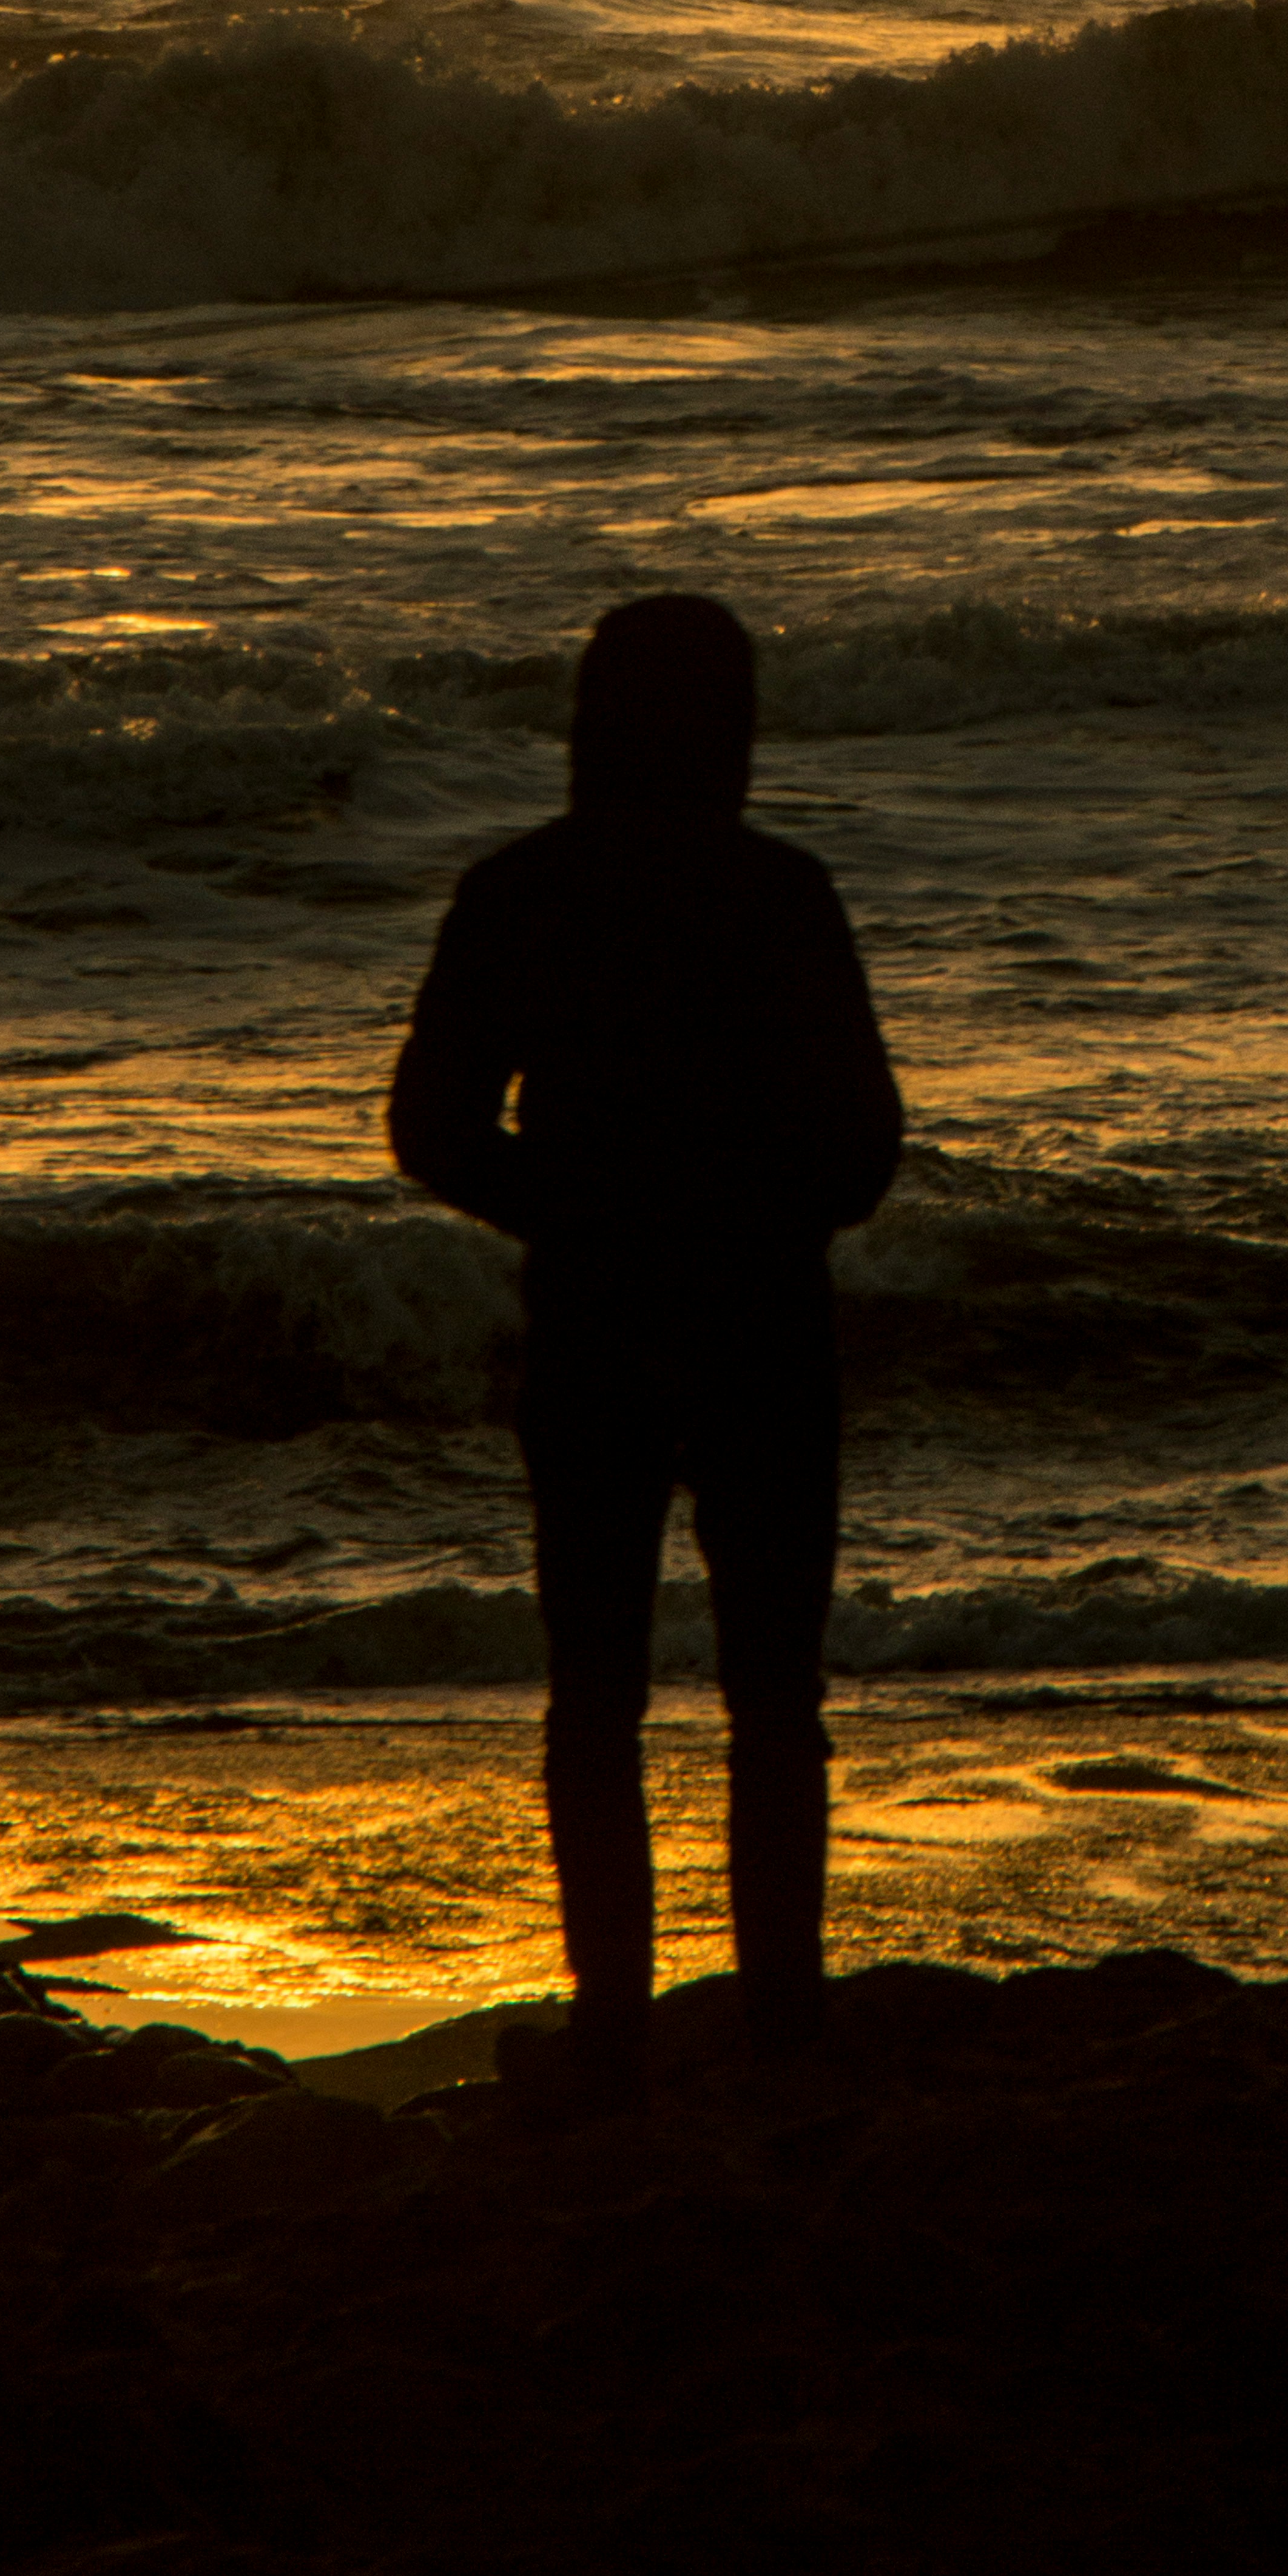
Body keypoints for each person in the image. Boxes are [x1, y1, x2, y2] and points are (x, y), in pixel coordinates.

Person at [387, 591, 902, 2103]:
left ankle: (616, 2029)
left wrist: (575, 1205)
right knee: (772, 1697)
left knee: (598, 1688)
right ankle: (782, 2030)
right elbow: (865, 1148)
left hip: (600, 1314)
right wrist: (751, 1211)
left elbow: (430, 1127)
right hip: (759, 1317)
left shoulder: (522, 892)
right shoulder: (781, 893)